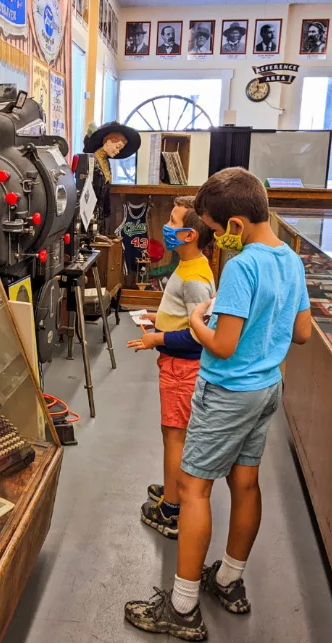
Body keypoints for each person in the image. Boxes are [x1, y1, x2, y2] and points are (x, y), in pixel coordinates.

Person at [124, 168, 312, 642]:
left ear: (234, 226)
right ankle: (228, 580)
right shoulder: (290, 260)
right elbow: (303, 332)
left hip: (227, 391)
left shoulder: (244, 265)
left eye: (211, 224)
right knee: (246, 484)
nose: (211, 234)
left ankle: (183, 606)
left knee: (193, 490)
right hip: (266, 388)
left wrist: (196, 319)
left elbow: (223, 345)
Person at [127, 197, 215, 540]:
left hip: (182, 369)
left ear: (190, 234)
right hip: (177, 365)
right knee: (172, 434)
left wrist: (157, 338)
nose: (167, 227)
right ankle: (171, 488)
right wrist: (156, 318)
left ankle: (172, 508)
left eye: (174, 222)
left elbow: (198, 336)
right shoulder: (191, 264)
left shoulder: (194, 278)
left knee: (174, 436)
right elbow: (185, 313)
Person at [83, 121, 141, 232]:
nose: (118, 151)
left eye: (120, 149)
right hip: (89, 216)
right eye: (117, 147)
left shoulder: (106, 162)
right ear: (108, 142)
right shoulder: (91, 161)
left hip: (101, 216)